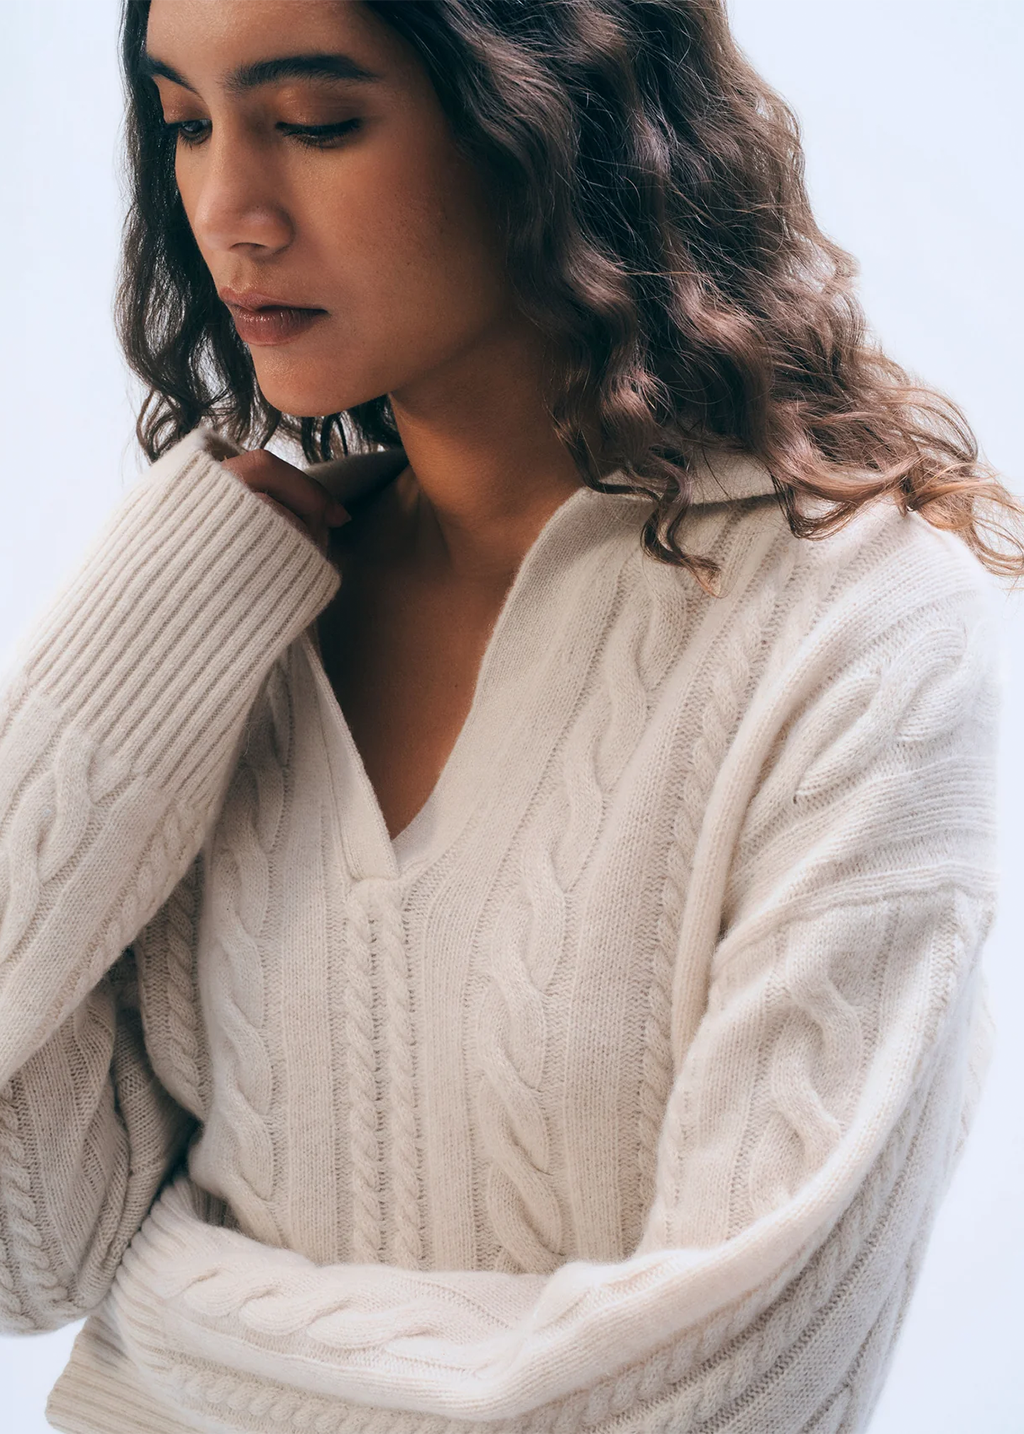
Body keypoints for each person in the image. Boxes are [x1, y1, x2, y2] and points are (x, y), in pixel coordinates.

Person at [1, 2, 1021, 1431]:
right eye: (184, 125)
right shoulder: (220, 627)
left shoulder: (857, 631)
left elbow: (730, 1400)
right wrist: (119, 658)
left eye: (315, 123)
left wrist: (160, 1336)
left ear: (548, 123)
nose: (225, 210)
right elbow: (33, 1247)